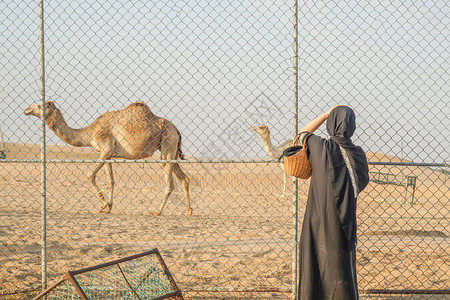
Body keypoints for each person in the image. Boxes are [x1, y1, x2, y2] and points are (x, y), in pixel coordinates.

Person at [297, 105, 370, 300]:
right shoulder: (358, 154)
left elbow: (303, 133)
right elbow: (360, 182)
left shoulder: (321, 147)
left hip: (318, 220)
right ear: (352, 126)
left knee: (316, 260)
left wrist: (325, 113)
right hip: (345, 222)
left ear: (331, 125)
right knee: (342, 267)